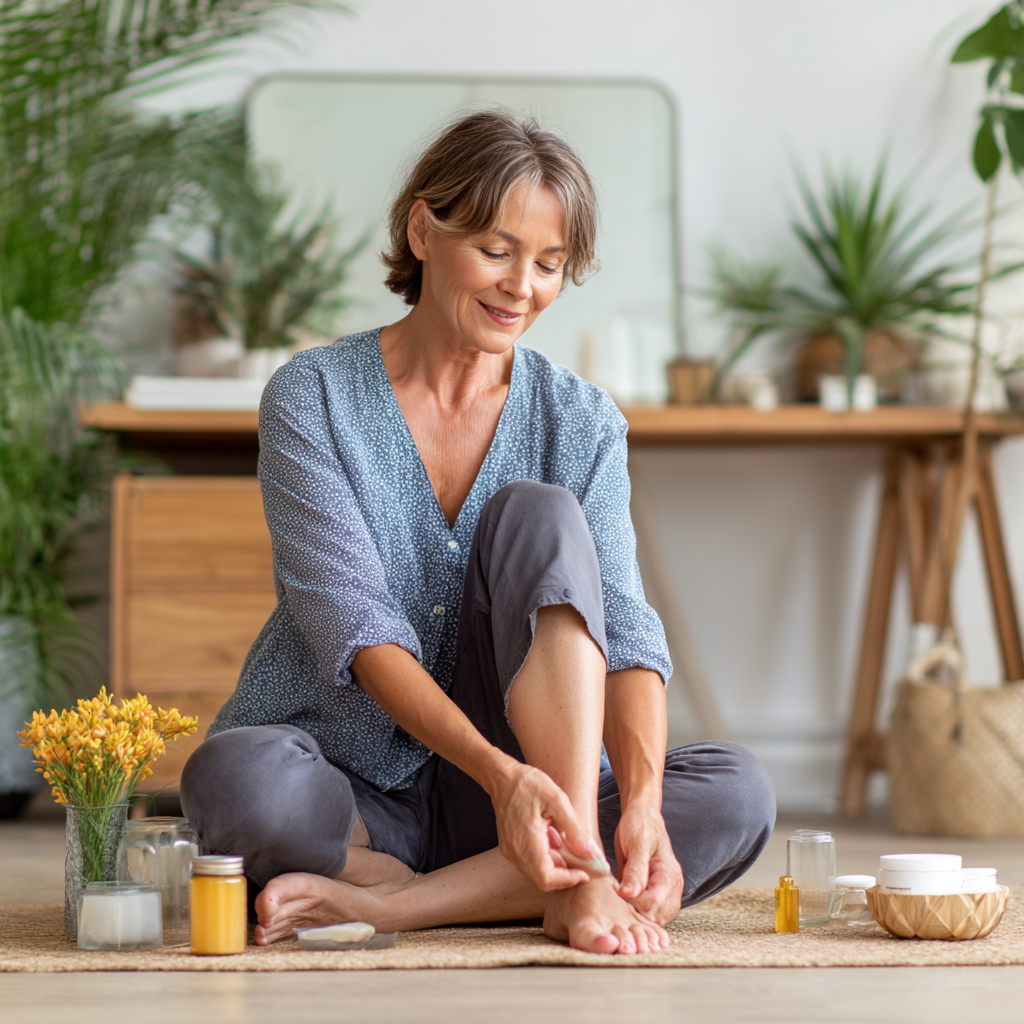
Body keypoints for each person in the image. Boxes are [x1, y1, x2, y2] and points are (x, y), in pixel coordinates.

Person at [180, 109, 775, 955]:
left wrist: (638, 801)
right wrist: (504, 781)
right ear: (424, 229)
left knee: (735, 794)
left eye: (549, 265)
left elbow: (629, 629)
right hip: (357, 791)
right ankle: (538, 882)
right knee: (235, 784)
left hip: (540, 796)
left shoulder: (581, 420)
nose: (520, 287)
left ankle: (415, 901)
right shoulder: (311, 397)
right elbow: (354, 626)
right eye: (497, 251)